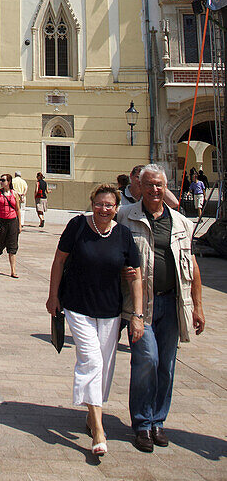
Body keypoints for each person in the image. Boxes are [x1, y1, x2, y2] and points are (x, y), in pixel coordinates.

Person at [46, 184, 143, 457]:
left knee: (106, 366)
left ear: (116, 208)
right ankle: (99, 430)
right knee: (92, 360)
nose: (104, 209)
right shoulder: (77, 226)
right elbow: (59, 261)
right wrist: (53, 295)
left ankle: (91, 413)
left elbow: (135, 276)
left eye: (109, 205)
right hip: (78, 305)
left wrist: (137, 315)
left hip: (110, 310)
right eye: (99, 204)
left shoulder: (123, 235)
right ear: (92, 204)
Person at [118, 164, 206, 452]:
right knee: (147, 361)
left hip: (172, 302)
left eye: (160, 185)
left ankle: (158, 421)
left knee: (167, 366)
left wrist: (198, 307)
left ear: (165, 187)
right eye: (150, 184)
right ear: (139, 187)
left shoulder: (181, 222)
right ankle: (142, 424)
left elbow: (191, 265)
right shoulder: (125, 217)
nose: (155, 190)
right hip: (141, 305)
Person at [0, 173, 20, 277]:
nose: (1, 182)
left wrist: (19, 225)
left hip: (12, 221)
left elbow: (18, 209)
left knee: (12, 246)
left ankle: (13, 270)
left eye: (3, 180)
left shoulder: (14, 194)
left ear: (9, 182)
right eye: (0, 180)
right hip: (1, 221)